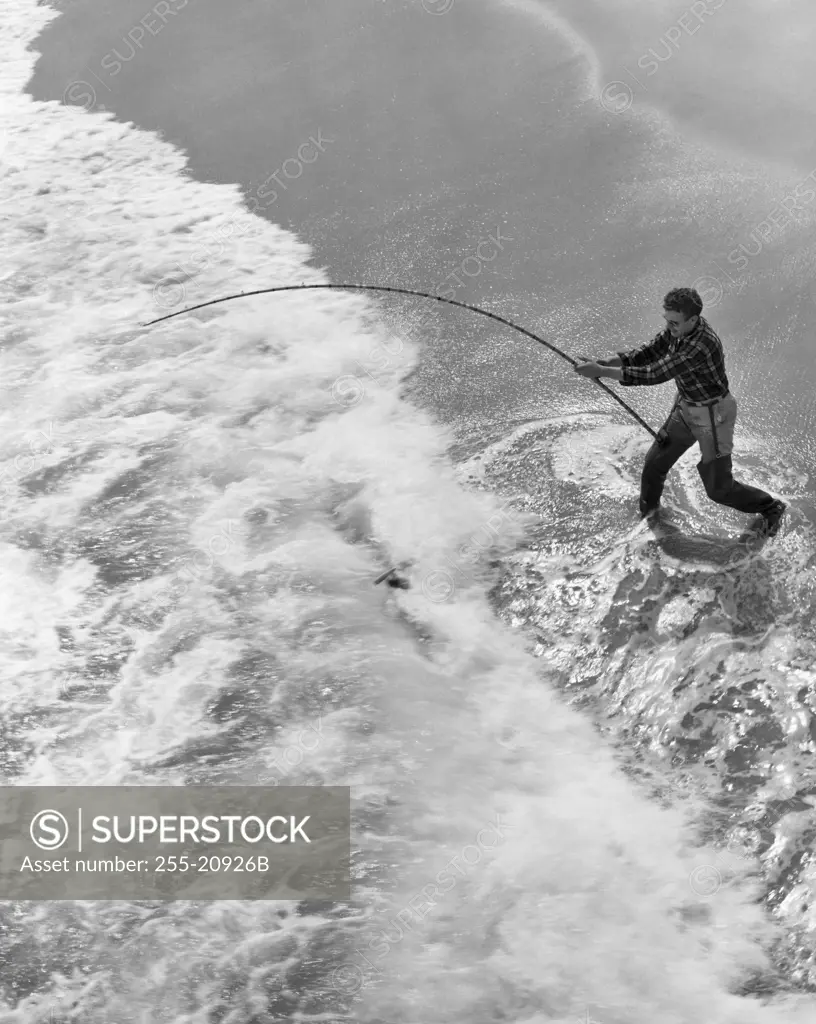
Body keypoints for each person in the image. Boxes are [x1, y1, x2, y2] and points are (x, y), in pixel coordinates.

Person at [573, 287, 787, 537]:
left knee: (718, 490)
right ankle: (648, 518)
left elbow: (655, 373)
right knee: (655, 464)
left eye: (674, 322)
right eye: (667, 321)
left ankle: (771, 507)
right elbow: (647, 353)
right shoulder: (678, 330)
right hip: (686, 408)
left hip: (713, 416)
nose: (669, 327)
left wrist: (600, 372)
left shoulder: (701, 344)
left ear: (693, 320)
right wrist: (603, 364)